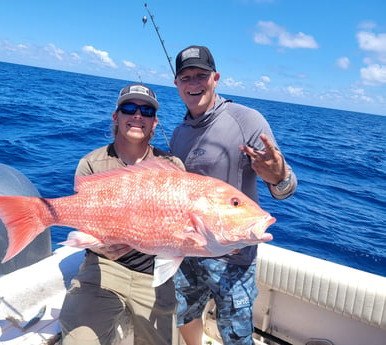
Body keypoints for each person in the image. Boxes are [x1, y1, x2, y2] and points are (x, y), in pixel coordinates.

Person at [170, 45, 298, 345]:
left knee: (236, 334)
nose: (193, 84)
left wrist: (278, 177)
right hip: (189, 251)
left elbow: (287, 189)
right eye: (185, 78)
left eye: (201, 76)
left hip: (234, 258)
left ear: (216, 78)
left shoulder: (248, 121)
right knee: (186, 315)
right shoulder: (178, 133)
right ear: (176, 84)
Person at [59, 83, 184, 345]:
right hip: (103, 267)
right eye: (129, 107)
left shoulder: (172, 167)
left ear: (154, 122)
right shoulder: (93, 163)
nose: (137, 115)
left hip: (154, 272)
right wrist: (102, 246)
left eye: (146, 111)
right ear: (116, 117)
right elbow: (84, 218)